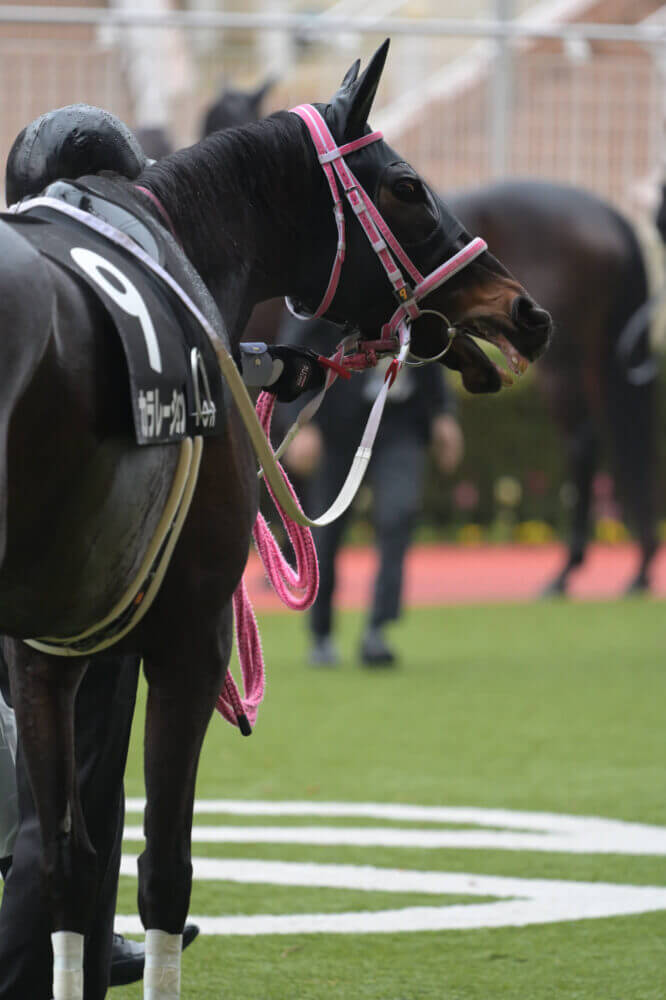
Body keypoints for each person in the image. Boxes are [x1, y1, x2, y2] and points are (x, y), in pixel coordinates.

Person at [279, 314, 464, 667]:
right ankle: (321, 634)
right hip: (337, 426)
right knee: (326, 530)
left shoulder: (414, 282)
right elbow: (295, 350)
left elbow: (430, 344)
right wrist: (300, 420)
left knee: (399, 511)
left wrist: (444, 412)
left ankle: (378, 630)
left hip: (401, 423)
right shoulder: (338, 282)